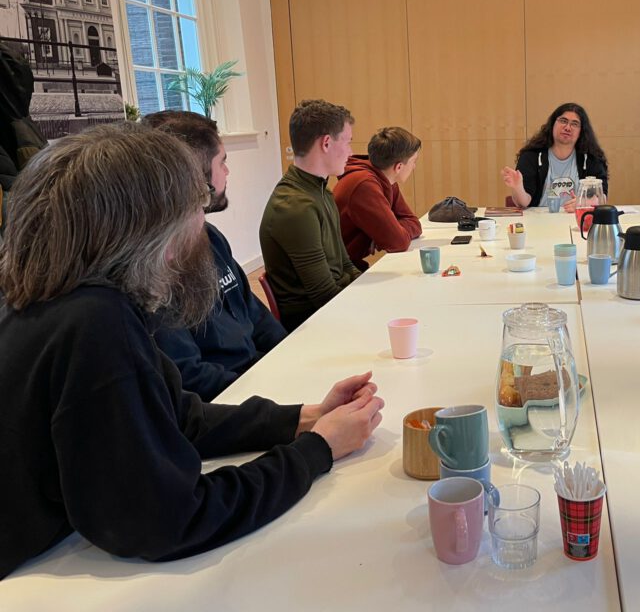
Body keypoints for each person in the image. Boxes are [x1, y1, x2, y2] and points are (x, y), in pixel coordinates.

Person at [0, 122, 384, 579]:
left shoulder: (59, 298)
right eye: (194, 207)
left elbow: (179, 417)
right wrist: (318, 450)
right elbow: (171, 521)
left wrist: (305, 416)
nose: (202, 223)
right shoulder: (96, 322)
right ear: (151, 231)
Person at [142, 111, 287, 400]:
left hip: (261, 380)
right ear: (195, 178)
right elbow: (191, 377)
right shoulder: (155, 269)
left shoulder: (211, 238)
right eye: (222, 162)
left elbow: (255, 315)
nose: (227, 172)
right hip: (233, 400)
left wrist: (290, 356)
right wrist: (270, 391)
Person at [260, 100, 362, 331]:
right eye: (347, 142)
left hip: (335, 307)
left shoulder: (321, 192)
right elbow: (323, 296)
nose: (351, 152)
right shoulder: (295, 207)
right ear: (326, 143)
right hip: (314, 325)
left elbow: (346, 264)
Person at [333, 126, 423, 271]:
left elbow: (413, 222)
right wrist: (391, 232)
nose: (414, 167)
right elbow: (397, 242)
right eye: (413, 161)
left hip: (350, 265)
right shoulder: (364, 184)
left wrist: (392, 229)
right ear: (398, 167)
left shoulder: (386, 178)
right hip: (339, 272)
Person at [501, 103, 609, 210]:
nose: (567, 127)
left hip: (576, 219)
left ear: (581, 131)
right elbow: (523, 203)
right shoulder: (531, 156)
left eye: (575, 124)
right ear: (552, 124)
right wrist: (517, 187)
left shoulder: (590, 157)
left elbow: (602, 197)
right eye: (563, 121)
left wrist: (583, 202)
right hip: (539, 221)